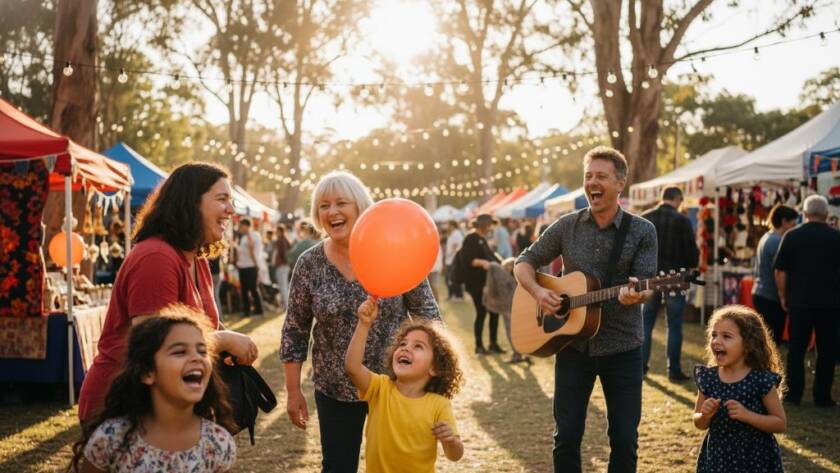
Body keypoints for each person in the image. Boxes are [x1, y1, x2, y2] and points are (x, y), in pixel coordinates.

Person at [280, 171, 440, 473]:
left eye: (341, 203)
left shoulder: (395, 249)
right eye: (324, 206)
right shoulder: (310, 264)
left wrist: (433, 376)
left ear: (361, 208)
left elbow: (428, 315)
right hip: (334, 388)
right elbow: (295, 329)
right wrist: (292, 390)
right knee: (338, 467)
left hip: (396, 387)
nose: (332, 212)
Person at [78, 162, 258, 422]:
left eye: (231, 200)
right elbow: (152, 346)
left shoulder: (197, 259)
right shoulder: (156, 257)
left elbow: (198, 333)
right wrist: (225, 340)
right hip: (124, 408)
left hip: (167, 409)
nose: (231, 209)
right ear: (190, 203)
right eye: (222, 199)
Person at [514, 146, 657, 473]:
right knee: (566, 436)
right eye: (588, 176)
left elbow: (646, 283)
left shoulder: (642, 231)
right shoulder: (567, 226)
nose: (593, 182)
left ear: (620, 183)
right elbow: (524, 262)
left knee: (623, 438)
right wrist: (538, 292)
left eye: (601, 176)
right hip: (572, 346)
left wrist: (639, 294)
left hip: (623, 347)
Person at [70, 305, 237, 472]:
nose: (197, 358)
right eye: (180, 352)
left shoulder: (217, 444)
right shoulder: (112, 439)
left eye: (202, 351)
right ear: (147, 372)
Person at [345, 297, 464, 472]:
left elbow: (455, 455)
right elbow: (352, 367)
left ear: (435, 368)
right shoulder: (380, 388)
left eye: (418, 346)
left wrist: (451, 441)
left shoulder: (439, 405)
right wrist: (364, 325)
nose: (406, 348)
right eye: (403, 343)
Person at [692, 305, 786, 472]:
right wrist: (704, 415)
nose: (716, 341)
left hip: (755, 459)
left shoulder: (760, 380)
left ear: (748, 345)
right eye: (714, 335)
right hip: (718, 459)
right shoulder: (708, 378)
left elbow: (779, 423)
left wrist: (747, 416)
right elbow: (699, 422)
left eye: (726, 336)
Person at [774, 195, 840, 407]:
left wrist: (783, 296)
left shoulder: (792, 236)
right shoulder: (836, 237)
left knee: (796, 350)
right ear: (826, 214)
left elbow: (780, 271)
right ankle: (822, 396)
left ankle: (794, 394)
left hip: (800, 302)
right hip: (830, 303)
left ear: (804, 213)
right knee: (827, 350)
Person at [641, 186, 700, 381]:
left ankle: (641, 367)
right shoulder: (682, 220)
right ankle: (673, 370)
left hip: (649, 279)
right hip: (675, 278)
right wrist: (692, 265)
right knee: (674, 325)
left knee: (646, 323)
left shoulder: (646, 217)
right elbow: (691, 252)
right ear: (678, 199)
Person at [752, 204, 798, 344]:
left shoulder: (767, 236)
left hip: (762, 293)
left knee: (766, 340)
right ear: (784, 221)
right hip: (770, 297)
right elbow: (780, 271)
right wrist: (783, 295)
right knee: (771, 341)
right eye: (793, 223)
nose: (794, 227)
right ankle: (767, 367)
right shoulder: (777, 241)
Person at [461, 214, 504, 355]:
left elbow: (491, 256)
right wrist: (483, 263)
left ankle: (493, 344)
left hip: (489, 283)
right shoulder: (471, 238)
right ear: (483, 225)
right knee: (481, 312)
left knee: (494, 312)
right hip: (477, 284)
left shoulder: (483, 240)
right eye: (489, 225)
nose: (491, 228)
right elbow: (468, 260)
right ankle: (479, 346)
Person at [484, 258, 531, 364]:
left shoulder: (505, 278)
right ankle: (525, 353)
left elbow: (503, 292)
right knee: (521, 331)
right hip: (517, 307)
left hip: (509, 308)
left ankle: (517, 354)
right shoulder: (517, 279)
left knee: (511, 332)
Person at [235, 218, 264, 317]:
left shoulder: (254, 235)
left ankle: (259, 310)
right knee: (244, 290)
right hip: (242, 266)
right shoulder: (243, 237)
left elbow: (252, 251)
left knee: (253, 289)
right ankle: (246, 311)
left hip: (251, 266)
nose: (239, 228)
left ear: (246, 225)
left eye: (241, 226)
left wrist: (256, 265)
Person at [274, 223, 293, 311]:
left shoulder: (281, 241)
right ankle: (285, 305)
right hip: (284, 265)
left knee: (283, 286)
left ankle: (285, 306)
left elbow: (284, 254)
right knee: (284, 286)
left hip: (282, 265)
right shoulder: (285, 240)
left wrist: (284, 262)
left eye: (277, 231)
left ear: (281, 231)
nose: (276, 233)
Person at [444, 220, 464, 301]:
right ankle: (451, 295)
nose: (446, 226)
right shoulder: (452, 234)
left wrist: (450, 254)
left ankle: (458, 296)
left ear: (452, 226)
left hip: (453, 260)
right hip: (449, 260)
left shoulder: (456, 234)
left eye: (448, 225)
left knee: (453, 279)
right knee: (448, 279)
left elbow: (456, 246)